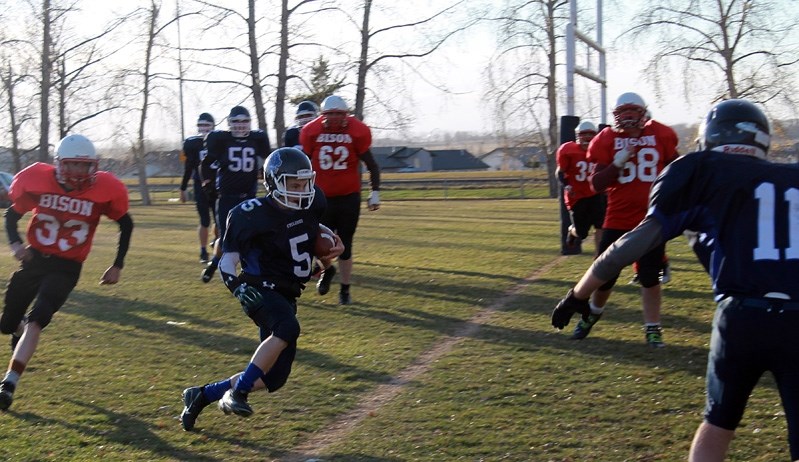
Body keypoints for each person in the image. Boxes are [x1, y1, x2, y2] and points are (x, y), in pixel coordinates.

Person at [551, 99, 799, 461]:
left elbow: (625, 248)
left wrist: (579, 293)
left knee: (718, 424)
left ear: (709, 137)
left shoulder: (699, 170)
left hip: (741, 317)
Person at [179, 147, 343, 430]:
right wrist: (237, 287)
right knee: (287, 328)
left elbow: (300, 256)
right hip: (258, 288)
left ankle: (202, 395)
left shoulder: (312, 204)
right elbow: (227, 260)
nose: (302, 190)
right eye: (294, 184)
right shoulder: (250, 213)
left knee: (273, 378)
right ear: (274, 182)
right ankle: (238, 393)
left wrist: (325, 259)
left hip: (287, 292)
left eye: (304, 183)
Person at [0, 134, 133, 411]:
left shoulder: (104, 188)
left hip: (67, 266)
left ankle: (9, 384)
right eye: (72, 165)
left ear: (93, 166)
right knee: (8, 324)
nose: (78, 172)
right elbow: (12, 215)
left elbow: (126, 223)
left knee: (39, 318)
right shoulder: (38, 180)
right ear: (59, 164)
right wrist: (15, 244)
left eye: (84, 166)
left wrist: (117, 264)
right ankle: (19, 328)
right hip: (35, 261)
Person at [569, 92, 679, 346]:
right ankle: (591, 315)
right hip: (617, 218)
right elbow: (596, 184)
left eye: (634, 111)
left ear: (644, 113)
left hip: (652, 219)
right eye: (624, 112)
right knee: (605, 276)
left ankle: (653, 328)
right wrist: (618, 162)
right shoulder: (606, 139)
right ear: (616, 115)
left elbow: (677, 169)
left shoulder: (662, 134)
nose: (628, 117)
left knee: (650, 276)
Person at [300, 95, 381, 305]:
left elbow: (372, 165)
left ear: (346, 115)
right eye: (331, 114)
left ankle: (345, 290)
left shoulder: (357, 131)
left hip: (348, 198)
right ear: (323, 116)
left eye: (339, 114)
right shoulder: (311, 131)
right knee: (318, 244)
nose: (335, 118)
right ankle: (328, 269)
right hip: (322, 199)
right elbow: (303, 164)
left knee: (346, 245)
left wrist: (375, 192)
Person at [200, 105, 270, 283]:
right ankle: (215, 264)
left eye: (244, 121)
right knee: (226, 238)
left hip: (249, 197)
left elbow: (269, 161)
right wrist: (207, 183)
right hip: (227, 197)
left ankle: (251, 273)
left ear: (250, 123)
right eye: (236, 121)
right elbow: (206, 164)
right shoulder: (221, 139)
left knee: (253, 237)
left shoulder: (257, 139)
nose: (240, 125)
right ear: (229, 123)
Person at [556, 120, 605, 255]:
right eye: (585, 134)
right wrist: (567, 186)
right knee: (582, 233)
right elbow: (560, 172)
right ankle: (572, 231)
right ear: (578, 136)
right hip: (577, 196)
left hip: (595, 193)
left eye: (591, 134)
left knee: (600, 225)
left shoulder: (600, 151)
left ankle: (598, 257)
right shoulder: (568, 150)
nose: (588, 137)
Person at [179, 112, 217, 263]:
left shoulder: (218, 140)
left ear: (213, 126)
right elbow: (188, 168)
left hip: (217, 184)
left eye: (207, 125)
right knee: (204, 221)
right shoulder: (192, 143)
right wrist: (182, 188)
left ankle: (216, 243)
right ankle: (202, 251)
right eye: (201, 125)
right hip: (199, 185)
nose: (204, 128)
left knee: (219, 219)